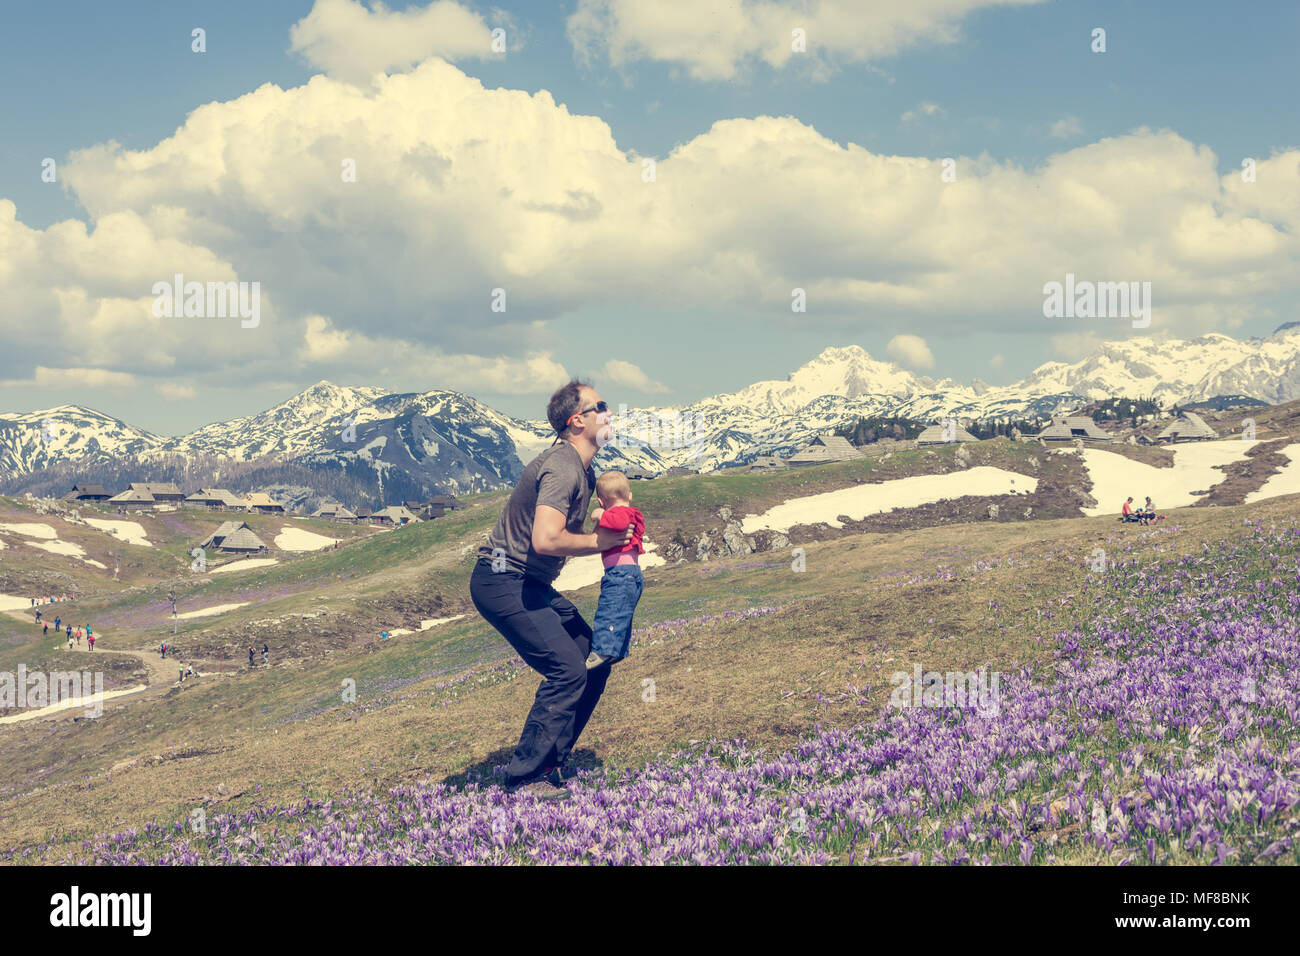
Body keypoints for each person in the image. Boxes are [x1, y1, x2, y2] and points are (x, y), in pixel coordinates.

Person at [469, 379, 633, 799]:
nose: (609, 413)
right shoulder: (562, 467)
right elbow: (546, 539)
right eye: (602, 406)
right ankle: (524, 778)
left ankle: (551, 761)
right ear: (577, 421)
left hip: (530, 582)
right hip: (502, 580)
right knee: (567, 667)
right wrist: (602, 543)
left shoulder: (581, 469)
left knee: (591, 657)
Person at [584, 470, 646, 670]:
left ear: (601, 501)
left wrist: (602, 515)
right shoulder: (632, 511)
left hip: (620, 573)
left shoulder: (619, 513)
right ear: (629, 495)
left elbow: (619, 522)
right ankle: (617, 650)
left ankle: (602, 650)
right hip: (630, 573)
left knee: (609, 611)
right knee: (622, 613)